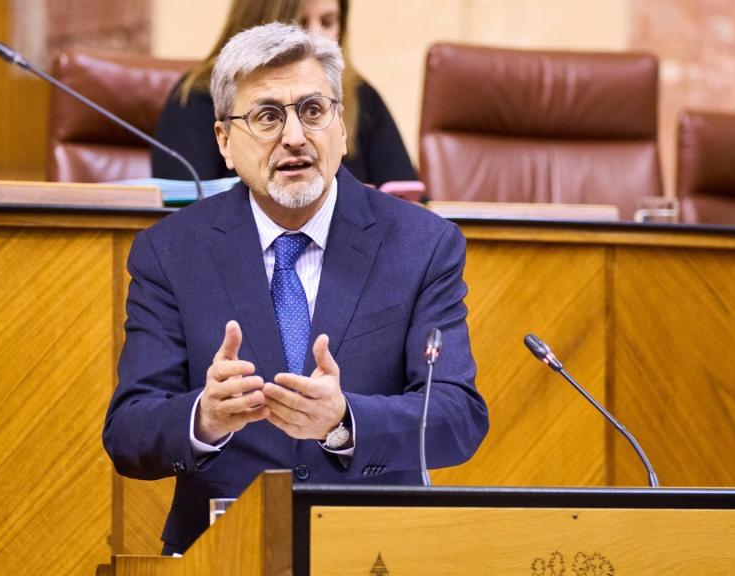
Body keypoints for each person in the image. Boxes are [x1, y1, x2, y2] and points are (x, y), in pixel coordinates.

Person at [105, 23, 488, 554]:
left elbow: (457, 416)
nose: (294, 136)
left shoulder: (421, 243)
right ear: (224, 141)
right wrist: (205, 417)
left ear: (342, 129)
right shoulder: (170, 253)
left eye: (313, 110)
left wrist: (344, 420)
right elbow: (128, 434)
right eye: (267, 116)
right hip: (221, 550)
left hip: (375, 550)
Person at [152, 0, 417, 187]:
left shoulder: (359, 95)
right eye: (300, 23)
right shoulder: (196, 97)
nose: (315, 37)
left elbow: (409, 194)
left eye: (327, 22)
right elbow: (181, 214)